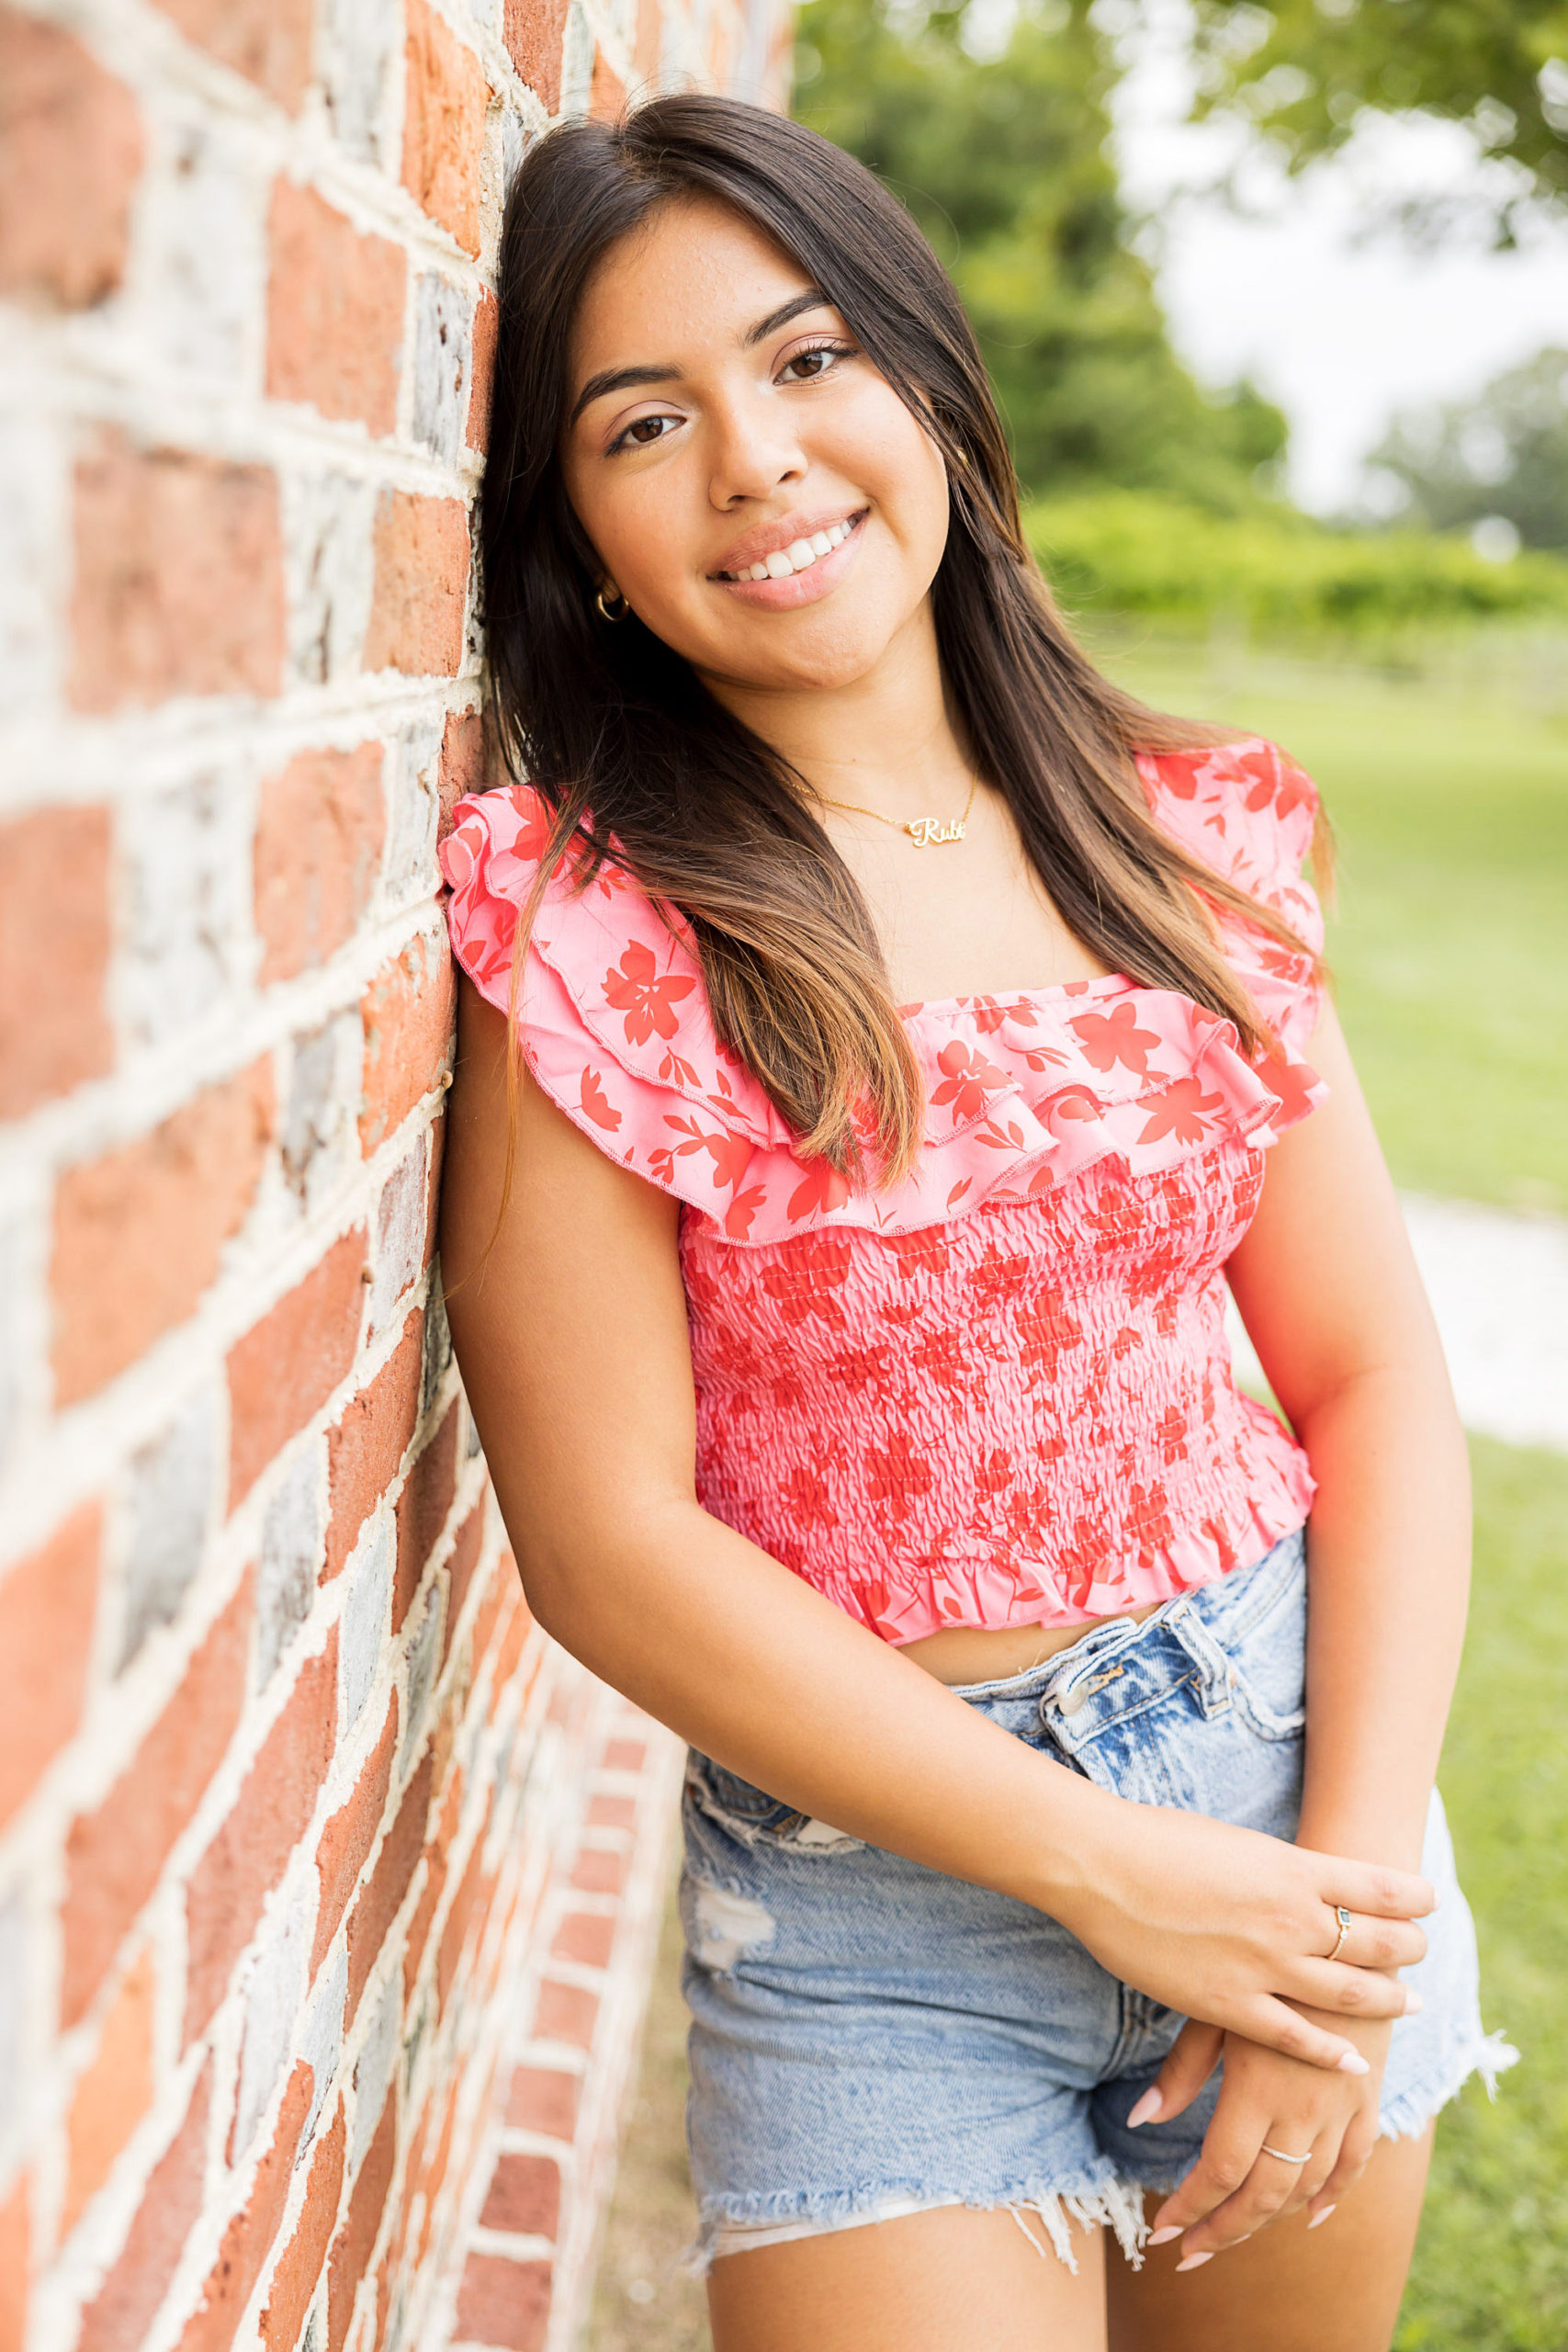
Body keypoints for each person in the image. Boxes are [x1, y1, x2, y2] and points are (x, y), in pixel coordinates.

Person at [438, 95, 1507, 2352]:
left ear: (927, 383)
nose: (755, 458)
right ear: (578, 533)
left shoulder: (1179, 842)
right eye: (647, 421)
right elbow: (602, 1538)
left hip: (1293, 1787)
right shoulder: (596, 927)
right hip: (876, 1914)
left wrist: (1345, 1877)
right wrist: (1112, 1872)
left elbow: (1369, 1375)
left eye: (809, 357)